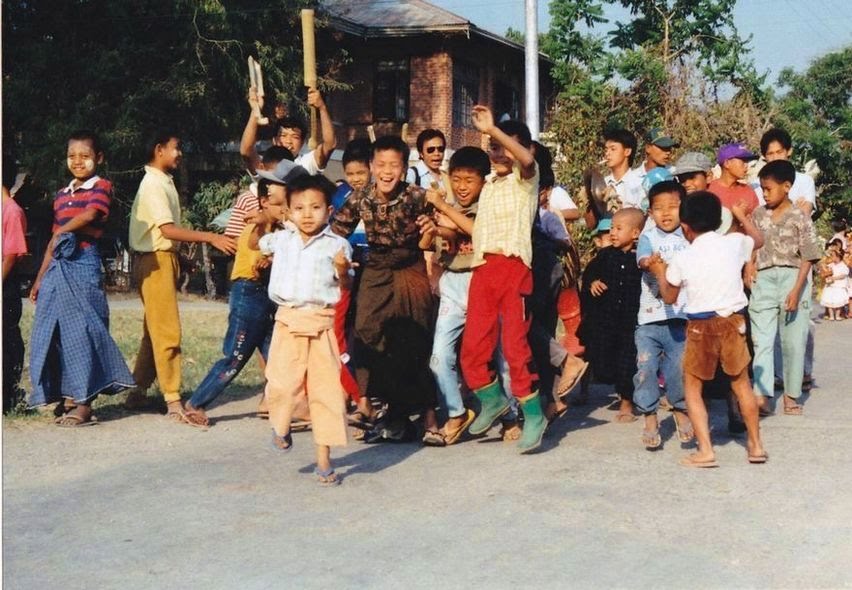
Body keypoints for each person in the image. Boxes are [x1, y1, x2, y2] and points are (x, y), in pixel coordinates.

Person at [181, 161, 308, 427]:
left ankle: (288, 407)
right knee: (235, 355)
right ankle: (195, 403)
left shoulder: (284, 231)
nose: (284, 211)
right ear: (262, 203)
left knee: (276, 357)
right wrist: (264, 231)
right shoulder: (256, 227)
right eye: (278, 205)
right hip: (248, 293)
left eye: (287, 206)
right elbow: (255, 247)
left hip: (268, 298)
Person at [648, 191, 767, 467]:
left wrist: (658, 271)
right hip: (734, 321)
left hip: (701, 326)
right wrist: (741, 217)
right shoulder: (734, 242)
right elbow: (758, 240)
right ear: (718, 220)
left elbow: (669, 296)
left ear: (686, 227)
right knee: (741, 384)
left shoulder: (684, 257)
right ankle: (756, 445)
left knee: (693, 387)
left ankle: (706, 450)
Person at [331, 136, 436, 443]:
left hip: (410, 269)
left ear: (404, 168)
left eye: (394, 165)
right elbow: (336, 233)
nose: (387, 171)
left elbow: (441, 223)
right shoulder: (359, 197)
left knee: (414, 339)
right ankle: (371, 404)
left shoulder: (418, 195)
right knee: (366, 332)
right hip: (374, 269)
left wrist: (433, 232)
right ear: (372, 166)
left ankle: (428, 415)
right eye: (381, 165)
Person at [457, 106, 550, 453]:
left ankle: (534, 414)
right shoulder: (491, 186)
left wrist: (494, 129)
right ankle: (492, 399)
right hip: (484, 269)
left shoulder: (526, 180)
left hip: (513, 269)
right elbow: (477, 230)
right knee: (473, 348)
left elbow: (524, 160)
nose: (497, 152)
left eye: (504, 146)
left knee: (514, 347)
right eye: (492, 147)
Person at [126, 130, 237, 420]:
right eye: (176, 148)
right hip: (154, 261)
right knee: (167, 331)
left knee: (154, 330)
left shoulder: (163, 181)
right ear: (159, 149)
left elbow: (162, 234)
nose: (180, 153)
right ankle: (173, 399)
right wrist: (210, 238)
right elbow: (167, 230)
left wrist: (180, 261)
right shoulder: (153, 184)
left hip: (162, 257)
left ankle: (137, 392)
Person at [28, 131, 135, 425]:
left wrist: (63, 231)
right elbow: (53, 240)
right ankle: (66, 395)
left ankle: (85, 403)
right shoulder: (62, 195)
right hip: (57, 267)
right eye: (72, 156)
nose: (77, 161)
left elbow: (90, 215)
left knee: (84, 331)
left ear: (98, 158)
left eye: (85, 156)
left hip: (83, 263)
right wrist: (39, 279)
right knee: (55, 332)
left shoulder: (101, 187)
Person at [258, 174, 354, 486]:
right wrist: (263, 220)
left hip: (321, 324)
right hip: (287, 321)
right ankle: (281, 428)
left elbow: (346, 282)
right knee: (282, 384)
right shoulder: (282, 238)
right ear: (288, 211)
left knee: (325, 394)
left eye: (316, 207)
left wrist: (342, 269)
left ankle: (324, 461)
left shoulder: (338, 245)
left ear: (329, 210)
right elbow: (256, 243)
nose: (307, 214)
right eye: (299, 208)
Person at [417, 146, 489, 445]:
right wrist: (432, 228)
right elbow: (432, 241)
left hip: (482, 283)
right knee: (439, 358)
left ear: (484, 182)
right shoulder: (446, 207)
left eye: (469, 180)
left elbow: (476, 232)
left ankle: (509, 413)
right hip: (452, 285)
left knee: (491, 355)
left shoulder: (488, 207)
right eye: (456, 179)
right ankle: (456, 412)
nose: (461, 187)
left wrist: (445, 213)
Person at [748, 160, 822, 416]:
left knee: (793, 341)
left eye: (768, 188)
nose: (765, 193)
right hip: (764, 280)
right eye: (762, 189)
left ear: (787, 186)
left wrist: (796, 291)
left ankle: (791, 395)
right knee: (763, 340)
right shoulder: (758, 215)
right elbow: (753, 246)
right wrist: (750, 267)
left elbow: (809, 256)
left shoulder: (799, 215)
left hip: (794, 279)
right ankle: (762, 394)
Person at [634, 181, 693, 449]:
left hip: (681, 319)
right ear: (650, 212)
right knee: (645, 369)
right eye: (659, 209)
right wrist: (650, 263)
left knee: (678, 371)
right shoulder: (648, 237)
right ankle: (649, 417)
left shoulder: (689, 237)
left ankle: (680, 411)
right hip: (649, 319)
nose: (666, 213)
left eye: (673, 207)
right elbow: (643, 259)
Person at [578, 208, 645, 423]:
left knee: (627, 361)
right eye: (611, 228)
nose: (612, 233)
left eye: (618, 228)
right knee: (598, 355)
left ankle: (627, 403)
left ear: (635, 233)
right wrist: (593, 283)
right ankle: (585, 389)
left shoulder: (641, 260)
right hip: (606, 320)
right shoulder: (605, 255)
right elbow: (590, 274)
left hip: (630, 320)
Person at [240, 86, 336, 176]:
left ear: (302, 143)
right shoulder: (265, 165)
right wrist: (255, 110)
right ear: (274, 140)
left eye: (295, 137)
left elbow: (330, 144)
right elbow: (246, 151)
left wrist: (322, 107)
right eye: (283, 135)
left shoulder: (307, 164)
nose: (288, 141)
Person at [223, 146, 294, 241]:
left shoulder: (296, 199)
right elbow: (234, 239)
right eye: (274, 176)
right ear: (262, 169)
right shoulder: (247, 199)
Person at [2, 162, 28, 413]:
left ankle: (7, 394)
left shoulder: (11, 210)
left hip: (5, 286)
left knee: (6, 342)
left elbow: (11, 254)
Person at [756, 128, 816, 217]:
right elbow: (757, 216)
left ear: (789, 151)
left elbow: (804, 215)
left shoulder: (805, 181)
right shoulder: (756, 185)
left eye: (779, 152)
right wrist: (794, 210)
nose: (775, 158)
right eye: (770, 154)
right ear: (764, 156)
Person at [708, 142, 760, 219]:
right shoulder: (709, 191)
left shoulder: (748, 191)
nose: (746, 166)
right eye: (743, 161)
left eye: (747, 162)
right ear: (727, 163)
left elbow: (756, 220)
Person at [820, 248, 848, 321]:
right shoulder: (831, 265)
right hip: (830, 286)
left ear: (838, 257)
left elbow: (844, 275)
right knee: (829, 300)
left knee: (838, 301)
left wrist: (834, 278)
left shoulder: (843, 265)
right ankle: (831, 315)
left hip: (838, 286)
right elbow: (825, 269)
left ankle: (837, 315)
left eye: (833, 256)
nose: (831, 257)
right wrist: (824, 269)